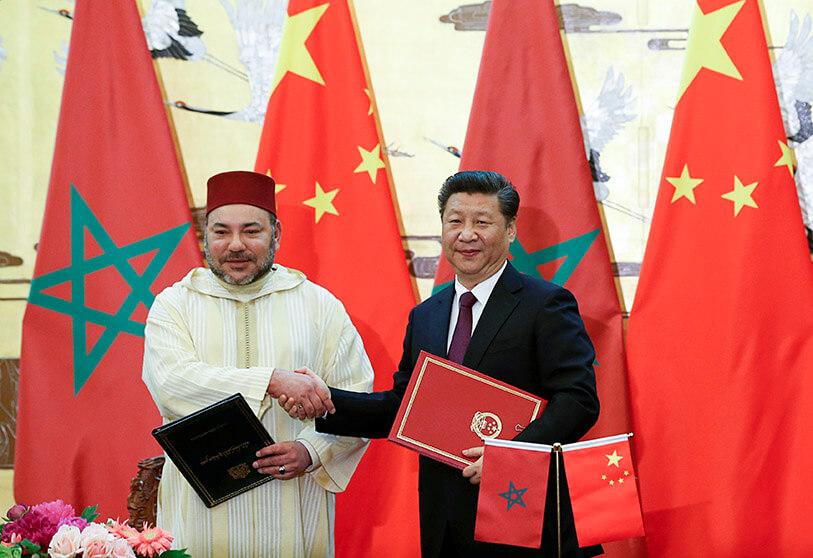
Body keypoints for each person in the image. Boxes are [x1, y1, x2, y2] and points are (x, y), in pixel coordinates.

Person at [280, 170, 601, 557]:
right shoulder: (426, 315)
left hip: (521, 508)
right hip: (444, 517)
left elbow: (578, 399)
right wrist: (325, 400)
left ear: (511, 230)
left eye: (482, 222)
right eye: (455, 221)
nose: (467, 234)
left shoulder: (546, 304)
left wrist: (510, 456)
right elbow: (403, 407)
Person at [142, 170, 373, 557]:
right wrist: (271, 381)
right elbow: (172, 385)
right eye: (221, 232)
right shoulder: (174, 305)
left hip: (293, 507)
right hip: (199, 519)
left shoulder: (319, 307)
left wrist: (311, 451)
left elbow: (357, 400)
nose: (236, 245)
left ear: (276, 234)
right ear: (204, 235)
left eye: (251, 231)